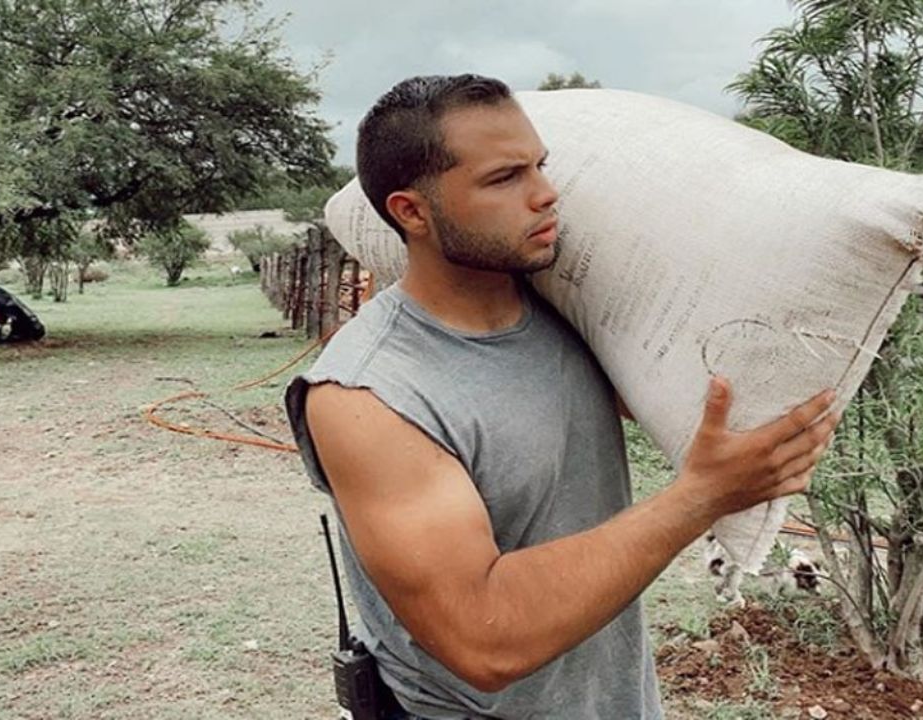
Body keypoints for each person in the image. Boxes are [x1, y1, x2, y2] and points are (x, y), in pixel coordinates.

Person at [284, 74, 840, 719]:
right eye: (503, 179)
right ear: (412, 212)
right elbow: (483, 637)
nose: (546, 195)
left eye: (540, 166)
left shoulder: (569, 314)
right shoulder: (369, 395)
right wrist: (702, 497)